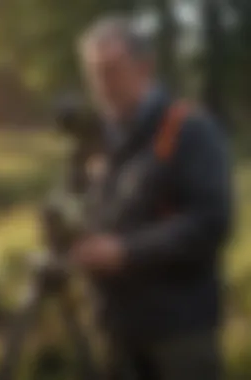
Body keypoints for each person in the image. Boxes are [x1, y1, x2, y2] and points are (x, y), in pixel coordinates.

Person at [70, 15, 232, 380]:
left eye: (111, 70)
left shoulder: (190, 128)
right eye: (93, 73)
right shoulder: (102, 140)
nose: (101, 84)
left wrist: (126, 252)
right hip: (116, 329)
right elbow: (94, 208)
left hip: (179, 332)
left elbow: (211, 222)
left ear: (145, 67)